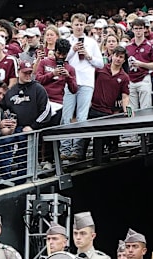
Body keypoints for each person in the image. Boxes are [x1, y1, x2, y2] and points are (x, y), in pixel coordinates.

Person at [59, 13, 104, 161]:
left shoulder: (91, 42)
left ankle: (77, 150)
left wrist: (88, 55)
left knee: (81, 117)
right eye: (76, 24)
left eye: (81, 24)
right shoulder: (67, 41)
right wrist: (72, 50)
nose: (78, 27)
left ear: (84, 25)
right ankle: (65, 148)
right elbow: (62, 60)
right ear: (71, 25)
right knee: (66, 116)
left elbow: (100, 64)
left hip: (86, 82)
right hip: (70, 81)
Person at [0, 60, 50, 179]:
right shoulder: (12, 91)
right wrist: (2, 122)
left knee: (23, 150)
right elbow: (1, 106)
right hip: (15, 128)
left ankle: (23, 177)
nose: (28, 75)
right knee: (2, 143)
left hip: (31, 130)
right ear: (18, 72)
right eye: (25, 72)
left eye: (30, 72)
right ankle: (4, 175)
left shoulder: (38, 88)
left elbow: (46, 111)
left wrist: (33, 126)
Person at [127, 18, 153, 113]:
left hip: (144, 77)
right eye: (136, 28)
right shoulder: (127, 46)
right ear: (132, 29)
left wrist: (141, 64)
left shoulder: (151, 46)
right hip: (130, 79)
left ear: (144, 29)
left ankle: (146, 127)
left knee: (146, 109)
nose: (138, 31)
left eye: (140, 28)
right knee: (131, 109)